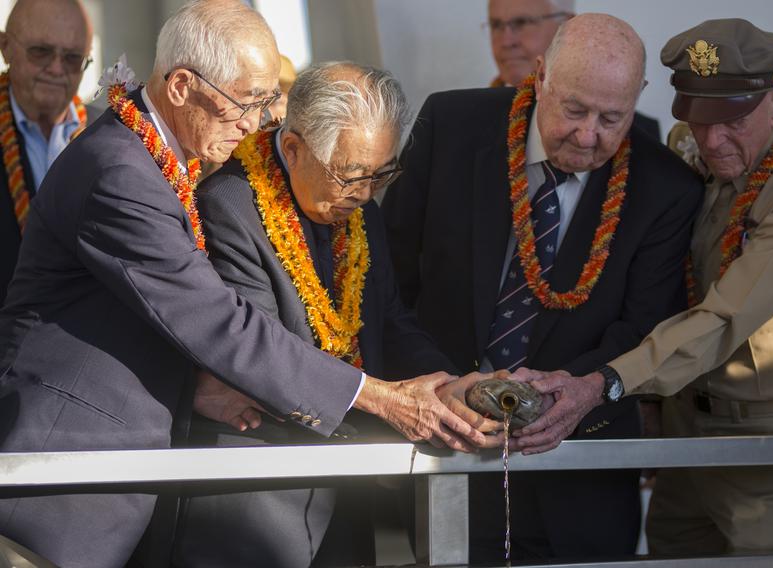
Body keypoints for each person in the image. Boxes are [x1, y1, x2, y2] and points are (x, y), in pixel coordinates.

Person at [0, 2, 484, 567]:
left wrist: (443, 387)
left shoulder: (157, 160)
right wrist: (377, 397)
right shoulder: (120, 171)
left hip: (117, 473)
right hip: (65, 472)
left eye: (264, 104)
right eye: (245, 102)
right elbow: (218, 321)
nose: (256, 124)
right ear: (181, 86)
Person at [382, 13, 703, 562]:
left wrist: (577, 393)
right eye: (574, 110)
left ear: (638, 98)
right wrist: (440, 386)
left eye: (611, 117)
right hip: (446, 448)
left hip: (582, 476)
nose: (588, 135)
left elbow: (645, 326)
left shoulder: (665, 185)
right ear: (540, 75)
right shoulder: (454, 126)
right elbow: (389, 284)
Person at [529, 18, 773, 555]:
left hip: (760, 441)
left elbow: (723, 317)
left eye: (733, 120)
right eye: (698, 121)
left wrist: (607, 380)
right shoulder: (690, 148)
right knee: (671, 557)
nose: (712, 139)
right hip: (681, 427)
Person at [173, 61, 493, 568]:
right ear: (294, 147)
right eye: (351, 174)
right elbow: (263, 360)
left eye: (381, 174)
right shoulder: (228, 207)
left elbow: (388, 320)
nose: (366, 194)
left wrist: (444, 387)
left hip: (345, 490)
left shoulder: (357, 208)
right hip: (253, 500)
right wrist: (387, 400)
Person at [0, 0, 96, 305]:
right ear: (5, 47)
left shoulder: (111, 133)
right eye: (40, 51)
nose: (56, 68)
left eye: (72, 58)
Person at [486, 0, 660, 140]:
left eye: (522, 22)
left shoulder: (643, 135)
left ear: (567, 23)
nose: (506, 42)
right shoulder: (468, 119)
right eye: (496, 25)